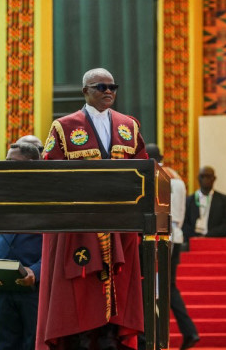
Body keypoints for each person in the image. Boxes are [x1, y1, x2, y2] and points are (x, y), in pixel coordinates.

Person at [36, 68, 147, 350]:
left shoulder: (129, 126)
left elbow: (144, 168)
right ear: (85, 90)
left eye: (113, 86)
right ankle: (80, 336)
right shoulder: (64, 126)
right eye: (101, 86)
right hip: (79, 225)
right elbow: (49, 172)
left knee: (120, 285)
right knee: (80, 288)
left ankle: (113, 336)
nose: (108, 91)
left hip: (120, 223)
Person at [0, 141, 42, 350]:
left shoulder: (47, 200)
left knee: (33, 344)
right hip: (1, 290)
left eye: (11, 162)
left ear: (31, 165)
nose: (5, 166)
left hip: (33, 289)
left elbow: (54, 249)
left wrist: (35, 271)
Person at [145, 144, 199, 350]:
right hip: (175, 236)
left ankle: (158, 335)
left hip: (160, 237)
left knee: (157, 287)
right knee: (169, 286)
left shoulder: (156, 175)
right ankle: (188, 330)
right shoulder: (177, 177)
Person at [184, 166, 226, 239]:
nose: (205, 179)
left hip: (217, 241)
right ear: (198, 178)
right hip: (194, 242)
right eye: (202, 176)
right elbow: (184, 224)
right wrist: (196, 237)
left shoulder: (224, 200)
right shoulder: (188, 200)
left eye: (208, 176)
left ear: (214, 178)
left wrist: (207, 236)